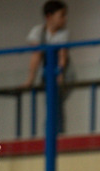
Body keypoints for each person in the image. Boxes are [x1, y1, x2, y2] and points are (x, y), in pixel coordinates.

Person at [22, 1, 71, 133]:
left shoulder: (63, 34)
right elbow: (36, 57)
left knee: (55, 105)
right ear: (49, 16)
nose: (64, 19)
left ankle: (56, 132)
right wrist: (30, 79)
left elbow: (62, 56)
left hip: (62, 73)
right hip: (48, 73)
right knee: (52, 105)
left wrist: (59, 75)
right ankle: (52, 131)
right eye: (62, 15)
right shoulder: (38, 32)